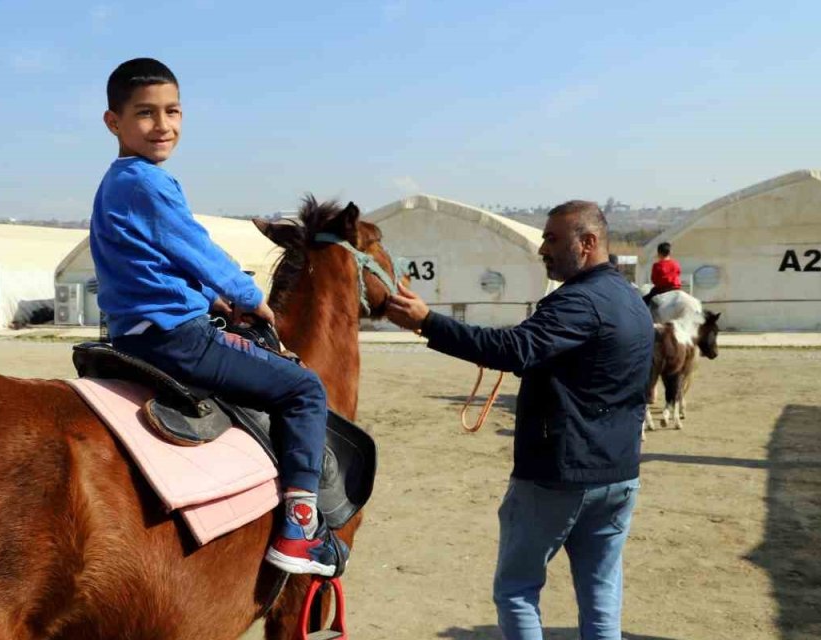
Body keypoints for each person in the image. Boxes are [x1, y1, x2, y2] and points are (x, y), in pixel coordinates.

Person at [88, 58, 346, 576]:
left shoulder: (118, 183)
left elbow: (159, 261)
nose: (162, 125)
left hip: (134, 334)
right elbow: (194, 247)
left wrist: (211, 298)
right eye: (145, 113)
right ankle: (299, 532)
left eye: (172, 111)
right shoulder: (146, 182)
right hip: (177, 337)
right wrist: (247, 295)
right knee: (304, 389)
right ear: (113, 122)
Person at [386, 201, 653, 639]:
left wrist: (428, 322)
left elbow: (513, 349)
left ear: (587, 243)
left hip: (560, 474)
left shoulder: (579, 301)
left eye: (552, 239)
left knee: (516, 589)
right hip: (619, 472)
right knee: (602, 591)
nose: (542, 249)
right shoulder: (630, 300)